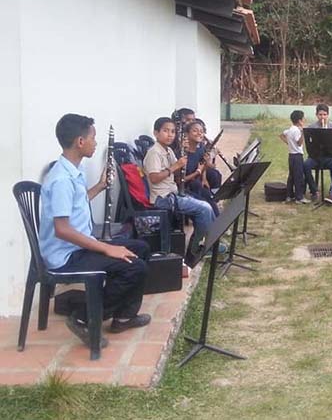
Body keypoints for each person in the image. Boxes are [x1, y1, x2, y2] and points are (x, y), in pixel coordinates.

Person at [40, 114, 151, 347]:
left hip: (79, 245)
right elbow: (62, 230)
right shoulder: (61, 180)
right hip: (67, 255)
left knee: (141, 248)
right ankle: (84, 317)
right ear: (80, 142)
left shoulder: (73, 170)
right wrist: (106, 248)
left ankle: (123, 316)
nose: (96, 142)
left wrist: (100, 187)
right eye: (93, 137)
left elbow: (76, 204)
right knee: (134, 267)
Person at [144, 117, 216, 247]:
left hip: (173, 193)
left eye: (173, 131)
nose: (170, 135)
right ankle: (197, 247)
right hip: (162, 198)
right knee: (204, 209)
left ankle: (209, 241)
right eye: (166, 131)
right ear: (156, 133)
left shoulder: (168, 150)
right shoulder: (154, 153)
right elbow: (154, 178)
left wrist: (185, 155)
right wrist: (176, 166)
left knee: (206, 205)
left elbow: (177, 174)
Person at [303, 104, 332, 200]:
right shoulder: (312, 126)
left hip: (330, 156)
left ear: (328, 115)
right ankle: (314, 190)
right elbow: (309, 144)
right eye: (320, 115)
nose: (322, 117)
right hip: (316, 156)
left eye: (325, 114)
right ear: (316, 115)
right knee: (306, 165)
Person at [183, 120, 223, 214]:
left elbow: (202, 166)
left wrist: (204, 179)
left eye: (201, 131)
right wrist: (197, 172)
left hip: (197, 185)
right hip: (185, 188)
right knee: (207, 204)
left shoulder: (200, 150)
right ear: (187, 134)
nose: (199, 133)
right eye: (195, 131)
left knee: (211, 202)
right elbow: (181, 180)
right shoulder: (182, 154)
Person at [280, 110, 310, 204]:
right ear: (300, 120)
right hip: (297, 156)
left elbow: (282, 135)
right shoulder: (297, 130)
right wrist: (303, 133)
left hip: (291, 155)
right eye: (303, 118)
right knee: (298, 177)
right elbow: (299, 143)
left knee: (291, 176)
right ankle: (299, 197)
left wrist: (288, 143)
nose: (304, 120)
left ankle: (289, 195)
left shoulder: (290, 129)